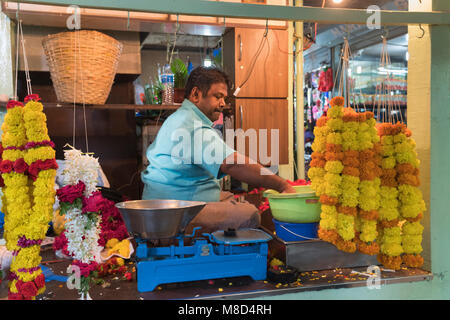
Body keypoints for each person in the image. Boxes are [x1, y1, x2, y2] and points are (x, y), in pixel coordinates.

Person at [141, 66, 296, 233]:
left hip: (168, 203)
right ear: (195, 94)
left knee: (230, 197)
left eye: (224, 98)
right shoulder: (192, 126)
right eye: (218, 97)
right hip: (173, 212)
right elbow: (232, 164)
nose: (223, 104)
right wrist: (281, 185)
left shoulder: (182, 117)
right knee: (250, 214)